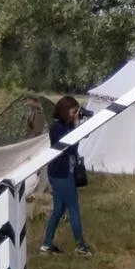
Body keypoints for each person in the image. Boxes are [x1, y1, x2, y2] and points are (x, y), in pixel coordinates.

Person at [40, 96, 92, 256]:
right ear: (64, 111)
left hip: (62, 172)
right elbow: (69, 147)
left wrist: (81, 121)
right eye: (73, 111)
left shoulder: (67, 125)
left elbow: (83, 136)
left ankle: (46, 245)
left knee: (58, 210)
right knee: (73, 208)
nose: (75, 114)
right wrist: (76, 123)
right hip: (60, 173)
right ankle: (80, 246)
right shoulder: (57, 128)